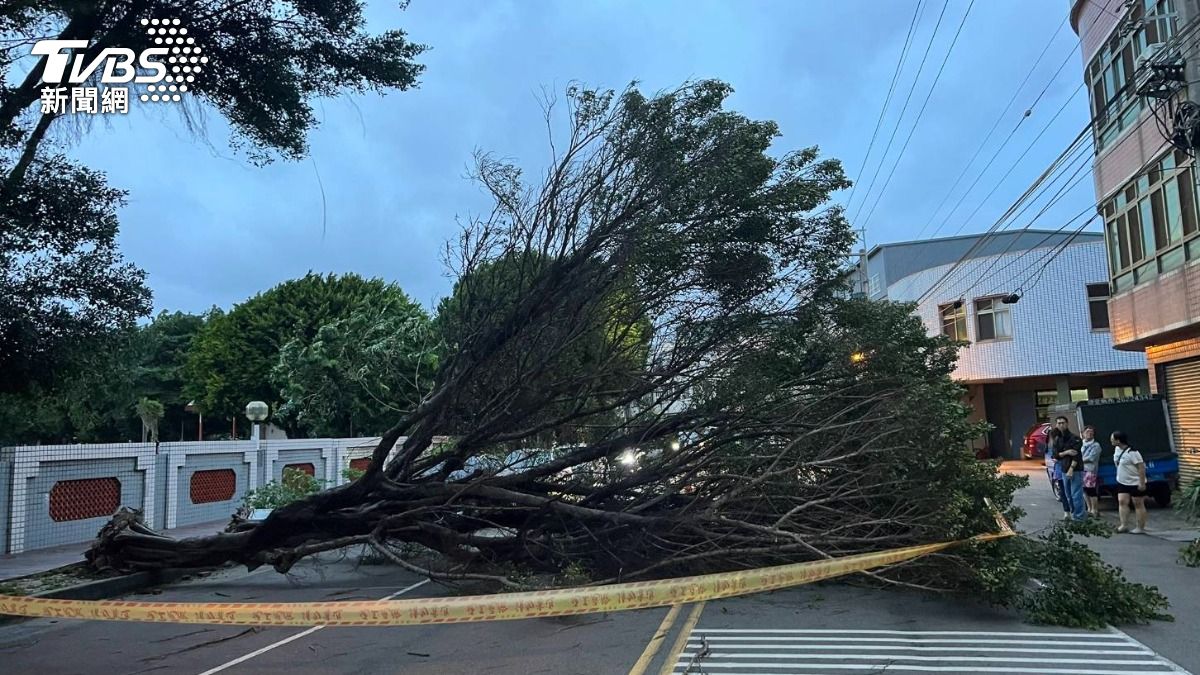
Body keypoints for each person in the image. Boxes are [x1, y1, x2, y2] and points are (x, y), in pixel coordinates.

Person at [1112, 430, 1148, 534]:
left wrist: (1142, 483)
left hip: (1135, 482)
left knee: (1138, 503)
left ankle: (1140, 527)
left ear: (1118, 440)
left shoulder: (1133, 452)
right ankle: (1124, 525)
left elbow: (1141, 467)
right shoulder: (1116, 450)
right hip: (1122, 481)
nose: (1111, 441)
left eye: (1113, 439)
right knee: (1122, 501)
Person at [1051, 416, 1085, 521]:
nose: (1061, 425)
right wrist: (1066, 452)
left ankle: (1079, 517)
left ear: (1067, 423)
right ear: (1056, 425)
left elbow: (1076, 455)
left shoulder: (1075, 438)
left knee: (1076, 494)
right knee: (1068, 495)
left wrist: (1071, 468)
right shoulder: (1057, 439)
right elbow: (1055, 455)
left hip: (1075, 469)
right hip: (1063, 469)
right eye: (1059, 423)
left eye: (1063, 423)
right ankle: (1073, 513)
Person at [1047, 427, 1071, 519]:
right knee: (1069, 492)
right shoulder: (1066, 443)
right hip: (1066, 471)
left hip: (1061, 472)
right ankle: (1071, 511)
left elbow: (1055, 457)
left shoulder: (1056, 445)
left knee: (1064, 492)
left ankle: (1067, 512)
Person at [1081, 425, 1103, 517]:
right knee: (1084, 490)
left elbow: (1092, 458)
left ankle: (1095, 509)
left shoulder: (1096, 445)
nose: (1089, 434)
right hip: (1081, 470)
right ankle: (1089, 508)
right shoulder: (1081, 444)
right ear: (1083, 434)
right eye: (1087, 432)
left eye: (1091, 432)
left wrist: (1079, 460)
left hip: (1090, 470)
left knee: (1091, 490)